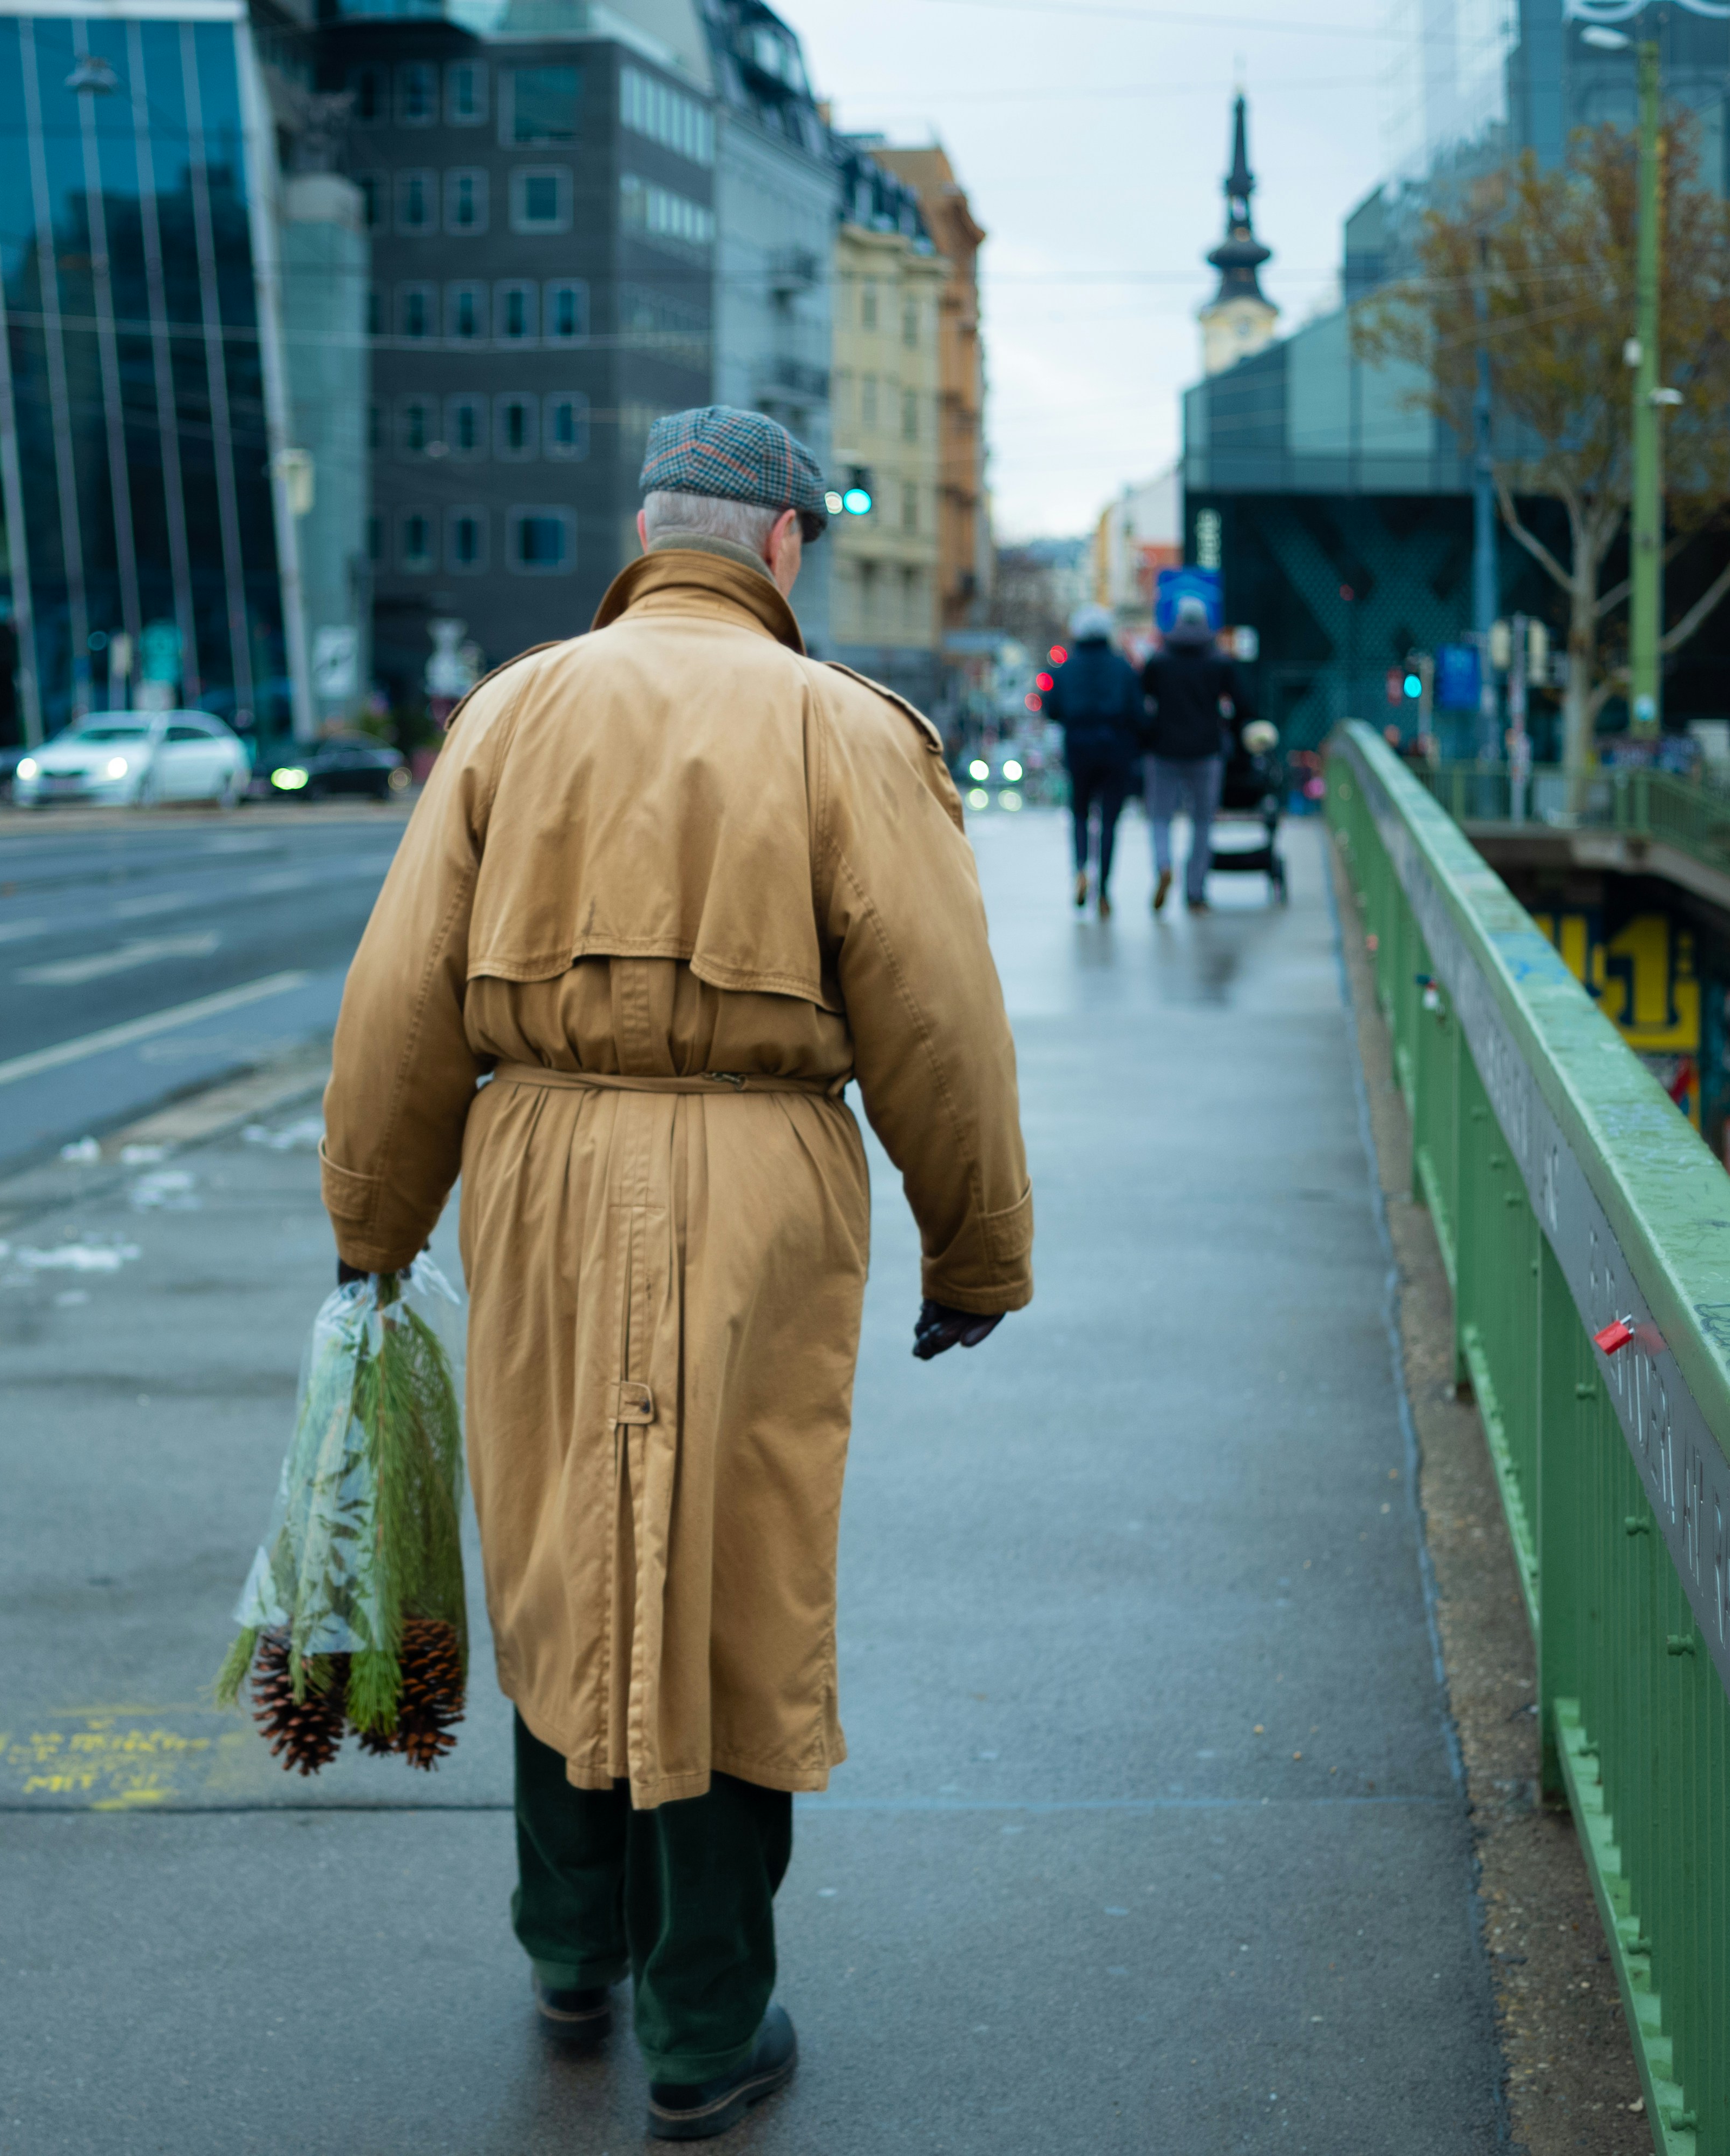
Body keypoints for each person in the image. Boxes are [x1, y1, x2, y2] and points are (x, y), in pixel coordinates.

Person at [322, 406, 1033, 2142]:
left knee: (568, 1544)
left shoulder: (512, 708)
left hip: (538, 1159)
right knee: (728, 1568)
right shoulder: (847, 730)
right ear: (786, 541)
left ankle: (570, 1945)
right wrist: (976, 1249)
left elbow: (402, 992)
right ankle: (705, 2017)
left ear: (647, 537)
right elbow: (939, 1016)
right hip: (759, 1164)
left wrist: (372, 1226)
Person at [1135, 597, 1254, 914]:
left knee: (1160, 817)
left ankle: (1163, 865)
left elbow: (1141, 702)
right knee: (1203, 822)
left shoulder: (1159, 661)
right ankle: (1196, 891)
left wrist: (1148, 736)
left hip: (1163, 752)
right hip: (1206, 752)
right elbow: (1242, 706)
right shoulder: (1219, 661)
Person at [1040, 605, 1141, 913]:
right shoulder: (1122, 667)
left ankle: (1081, 869)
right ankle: (1105, 889)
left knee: (1080, 815)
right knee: (1109, 821)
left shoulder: (1065, 668)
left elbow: (1051, 708)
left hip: (1079, 748)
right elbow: (1137, 711)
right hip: (1115, 749)